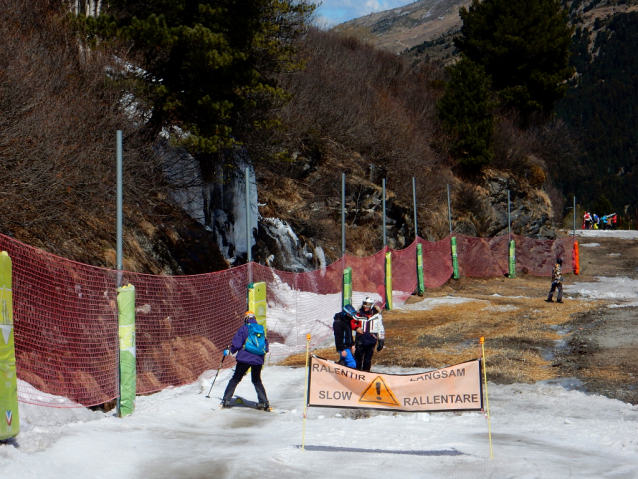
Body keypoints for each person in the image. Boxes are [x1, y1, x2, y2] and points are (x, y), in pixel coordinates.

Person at [221, 311, 270, 410]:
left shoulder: (244, 328)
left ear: (245, 319)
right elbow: (266, 347)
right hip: (258, 359)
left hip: (245, 358)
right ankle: (264, 402)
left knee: (235, 379)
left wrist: (230, 351)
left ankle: (226, 400)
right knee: (257, 380)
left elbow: (238, 344)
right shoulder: (260, 329)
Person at [354, 297, 385, 372]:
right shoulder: (358, 314)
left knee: (367, 360)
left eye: (368, 305)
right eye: (364, 304)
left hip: (371, 341)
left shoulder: (377, 315)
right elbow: (352, 323)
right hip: (360, 340)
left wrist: (381, 340)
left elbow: (380, 328)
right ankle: (357, 374)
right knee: (358, 359)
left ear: (371, 305)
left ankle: (366, 374)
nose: (365, 306)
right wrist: (356, 328)